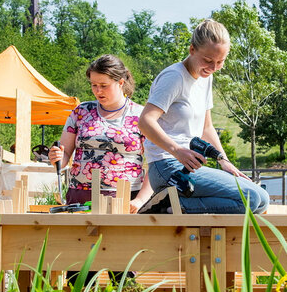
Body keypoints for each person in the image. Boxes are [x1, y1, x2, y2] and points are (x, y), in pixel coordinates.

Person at [138, 19, 270, 214]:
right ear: (192, 49)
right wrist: (177, 150)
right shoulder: (174, 77)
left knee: (262, 200)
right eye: (208, 60)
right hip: (167, 166)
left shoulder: (205, 79)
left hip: (190, 167)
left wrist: (224, 160)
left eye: (220, 61)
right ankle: (165, 205)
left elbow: (207, 127)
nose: (214, 67)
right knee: (250, 199)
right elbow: (145, 121)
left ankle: (179, 208)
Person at [49, 54, 153, 213]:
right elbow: (64, 157)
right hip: (80, 198)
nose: (98, 91)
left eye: (104, 85)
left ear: (120, 83)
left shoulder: (141, 115)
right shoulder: (81, 111)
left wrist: (140, 200)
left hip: (125, 200)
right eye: (93, 85)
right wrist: (56, 157)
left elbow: (157, 163)